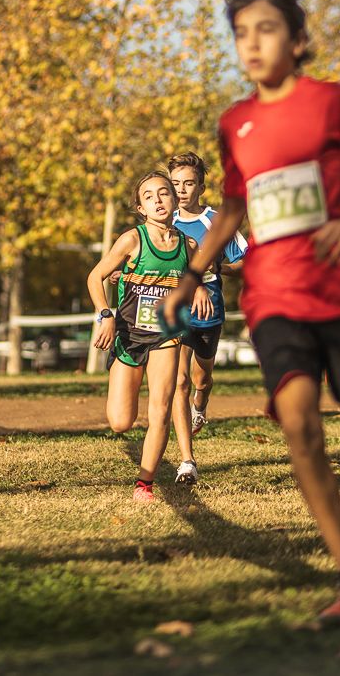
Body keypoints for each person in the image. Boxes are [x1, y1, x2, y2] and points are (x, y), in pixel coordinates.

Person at [159, 0, 340, 619]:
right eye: (240, 34)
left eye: (267, 29)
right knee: (297, 423)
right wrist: (188, 276)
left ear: (297, 39)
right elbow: (232, 209)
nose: (252, 44)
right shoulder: (235, 124)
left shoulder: (332, 103)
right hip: (273, 298)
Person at [87, 171, 210, 502]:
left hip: (167, 334)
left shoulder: (189, 245)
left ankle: (145, 484)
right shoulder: (132, 240)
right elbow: (95, 276)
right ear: (140, 207)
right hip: (128, 335)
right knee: (120, 422)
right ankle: (125, 399)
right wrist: (105, 314)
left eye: (164, 194)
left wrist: (198, 289)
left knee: (161, 408)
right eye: (149, 196)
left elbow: (195, 276)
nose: (158, 200)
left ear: (174, 200)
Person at [168, 152, 248, 456]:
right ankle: (185, 451)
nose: (181, 190)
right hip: (175, 308)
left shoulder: (215, 221)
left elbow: (246, 260)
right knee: (180, 379)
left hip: (208, 310)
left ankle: (200, 403)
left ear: (201, 187)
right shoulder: (163, 219)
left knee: (201, 379)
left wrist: (220, 268)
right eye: (175, 184)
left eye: (188, 184)